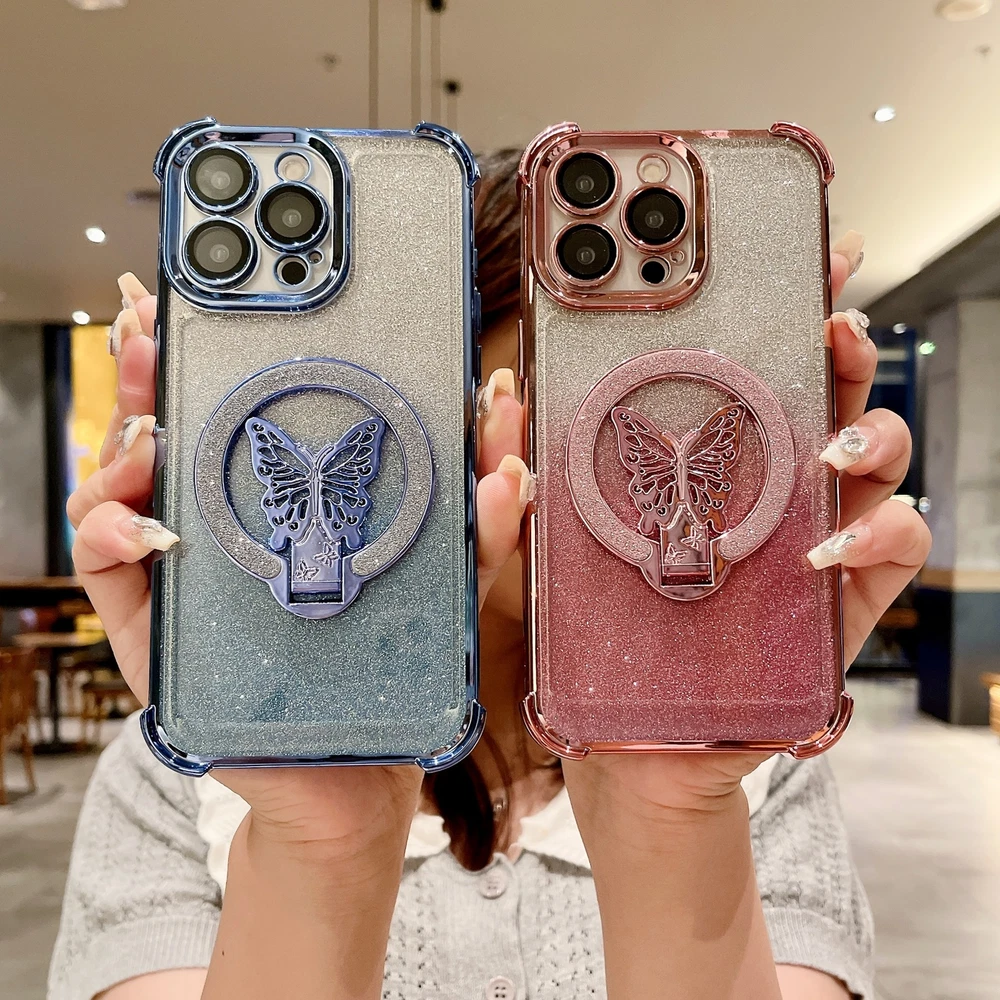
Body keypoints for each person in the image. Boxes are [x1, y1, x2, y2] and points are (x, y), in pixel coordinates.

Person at [49, 149, 929, 1000]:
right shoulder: (190, 771)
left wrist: (669, 822)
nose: (550, 466)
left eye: (586, 396)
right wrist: (321, 845)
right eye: (505, 406)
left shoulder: (752, 758)